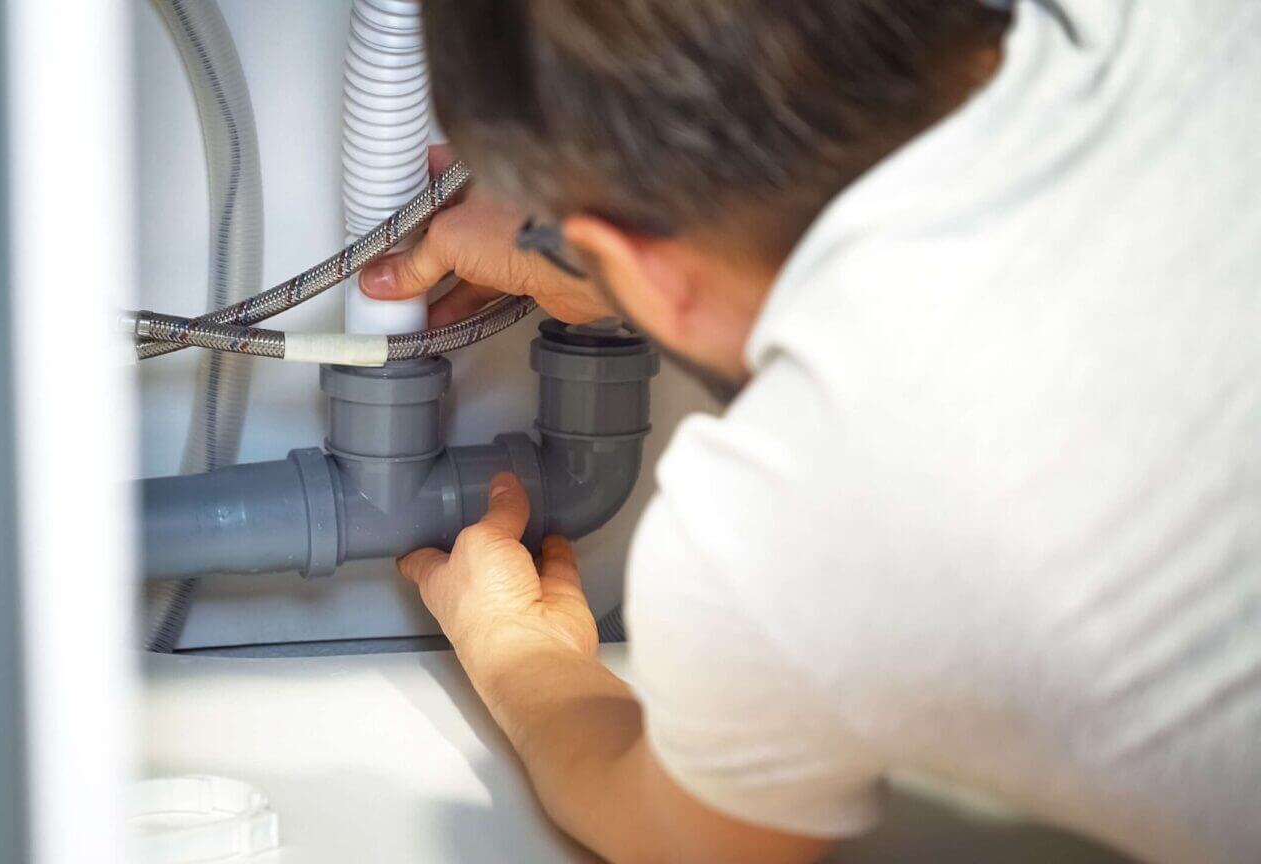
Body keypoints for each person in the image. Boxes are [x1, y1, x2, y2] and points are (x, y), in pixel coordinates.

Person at [356, 1, 1261, 862]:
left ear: (636, 262)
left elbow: (687, 842)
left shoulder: (793, 514)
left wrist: (522, 653)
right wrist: (629, 265)